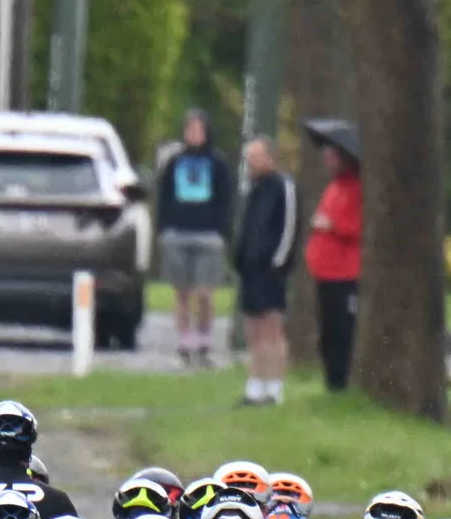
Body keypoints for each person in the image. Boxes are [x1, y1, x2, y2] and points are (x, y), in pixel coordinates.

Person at [153, 109, 236, 369]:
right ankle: (184, 343)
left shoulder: (218, 164)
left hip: (208, 235)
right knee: (182, 292)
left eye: (198, 130)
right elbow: (163, 197)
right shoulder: (174, 162)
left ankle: (204, 342)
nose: (193, 135)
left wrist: (222, 230)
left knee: (205, 292)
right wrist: (164, 228)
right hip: (178, 233)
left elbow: (227, 199)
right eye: (189, 130)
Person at [298, 119, 363, 393]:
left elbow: (360, 226)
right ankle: (331, 380)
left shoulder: (357, 187)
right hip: (325, 273)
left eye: (332, 155)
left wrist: (333, 225)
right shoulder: (334, 186)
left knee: (341, 332)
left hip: (345, 274)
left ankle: (340, 382)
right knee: (327, 332)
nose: (327, 159)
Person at [234, 134, 296, 406]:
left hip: (272, 270)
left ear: (269, 157)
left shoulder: (284, 187)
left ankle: (275, 387)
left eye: (255, 156)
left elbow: (289, 228)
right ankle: (255, 385)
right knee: (254, 329)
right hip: (250, 269)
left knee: (272, 328)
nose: (250, 162)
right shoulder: (252, 189)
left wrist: (279, 263)